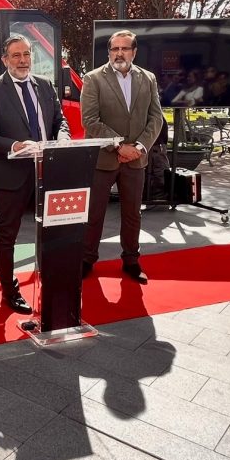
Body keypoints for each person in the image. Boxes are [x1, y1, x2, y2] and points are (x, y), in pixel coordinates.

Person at [0, 34, 71, 315]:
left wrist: (63, 138)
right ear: (5, 60)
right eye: (16, 55)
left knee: (54, 231)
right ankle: (10, 291)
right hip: (12, 173)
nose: (23, 60)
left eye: (27, 54)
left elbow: (59, 120)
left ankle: (51, 281)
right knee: (8, 235)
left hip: (49, 170)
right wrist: (14, 145)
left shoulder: (45, 85)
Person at [80, 30, 164, 283]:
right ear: (109, 52)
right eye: (114, 49)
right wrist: (119, 146)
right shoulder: (93, 78)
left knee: (132, 214)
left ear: (134, 52)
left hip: (136, 159)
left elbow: (156, 117)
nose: (119, 53)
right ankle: (86, 259)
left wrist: (139, 147)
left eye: (124, 48)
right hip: (103, 159)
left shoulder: (147, 78)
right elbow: (90, 121)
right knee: (94, 213)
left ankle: (131, 260)